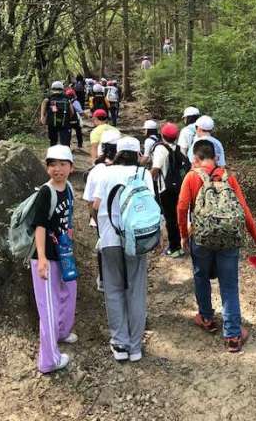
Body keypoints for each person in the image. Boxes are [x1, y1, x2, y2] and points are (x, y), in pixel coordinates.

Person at [178, 139, 256, 353]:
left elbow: (182, 208)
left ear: (196, 158)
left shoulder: (191, 176)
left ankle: (206, 318)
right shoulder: (228, 177)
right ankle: (233, 335)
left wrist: (184, 235)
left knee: (201, 276)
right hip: (229, 239)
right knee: (229, 285)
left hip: (201, 238)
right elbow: (243, 209)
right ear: (215, 157)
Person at [92, 137, 154, 362]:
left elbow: (95, 205)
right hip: (136, 241)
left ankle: (120, 344)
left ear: (117, 153)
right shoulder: (143, 174)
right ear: (138, 154)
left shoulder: (105, 173)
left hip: (109, 238)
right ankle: (135, 347)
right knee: (136, 291)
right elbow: (150, 206)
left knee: (114, 290)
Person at [30, 145, 78, 373]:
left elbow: (67, 217)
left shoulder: (68, 188)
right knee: (48, 306)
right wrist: (41, 259)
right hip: (46, 257)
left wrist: (69, 235)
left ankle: (61, 332)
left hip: (63, 253)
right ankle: (48, 361)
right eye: (53, 165)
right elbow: (39, 226)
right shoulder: (46, 192)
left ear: (71, 167)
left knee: (68, 291)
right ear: (47, 168)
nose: (57, 169)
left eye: (62, 164)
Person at [83, 129, 121, 292]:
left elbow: (90, 202)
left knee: (103, 246)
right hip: (124, 219)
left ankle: (104, 280)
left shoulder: (96, 171)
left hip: (103, 218)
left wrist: (96, 220)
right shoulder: (126, 169)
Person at [151, 122, 189, 258]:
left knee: (170, 218)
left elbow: (156, 169)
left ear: (162, 135)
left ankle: (174, 248)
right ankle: (183, 243)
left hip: (165, 189)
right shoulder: (178, 148)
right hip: (180, 186)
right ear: (176, 136)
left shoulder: (160, 149)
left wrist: (147, 180)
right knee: (179, 216)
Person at [40, 81, 74, 147]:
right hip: (65, 124)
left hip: (52, 123)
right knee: (65, 143)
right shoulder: (66, 98)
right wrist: (68, 119)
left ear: (52, 88)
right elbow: (72, 112)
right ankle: (66, 152)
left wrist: (42, 117)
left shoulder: (49, 97)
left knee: (53, 142)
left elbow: (44, 103)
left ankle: (53, 152)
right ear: (62, 88)